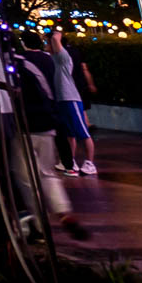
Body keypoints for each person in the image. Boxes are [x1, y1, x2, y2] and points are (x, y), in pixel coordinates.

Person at [14, 33, 88, 239]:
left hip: (25, 123)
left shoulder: (19, 62)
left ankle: (38, 222)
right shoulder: (51, 60)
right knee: (47, 173)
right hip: (49, 121)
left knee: (25, 177)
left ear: (23, 43)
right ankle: (63, 211)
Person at [49, 29, 97, 176]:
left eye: (48, 42)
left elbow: (57, 38)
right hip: (62, 99)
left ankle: (90, 163)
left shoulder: (64, 57)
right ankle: (71, 161)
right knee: (69, 134)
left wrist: (55, 35)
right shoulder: (54, 58)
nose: (47, 45)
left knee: (83, 132)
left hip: (71, 98)